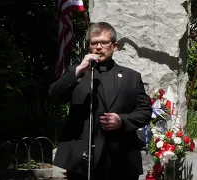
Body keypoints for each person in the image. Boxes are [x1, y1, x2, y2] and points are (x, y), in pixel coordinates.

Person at [49, 22, 152, 180]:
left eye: (103, 42)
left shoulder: (132, 77)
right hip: (81, 160)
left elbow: (145, 112)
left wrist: (122, 120)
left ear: (114, 46)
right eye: (94, 43)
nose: (98, 47)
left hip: (121, 159)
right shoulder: (76, 73)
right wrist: (78, 70)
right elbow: (54, 95)